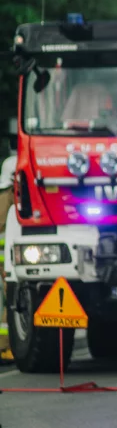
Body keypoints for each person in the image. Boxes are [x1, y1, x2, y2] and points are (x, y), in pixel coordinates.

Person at [0, 153, 16, 362]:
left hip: (5, 257)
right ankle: (5, 348)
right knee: (8, 301)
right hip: (4, 258)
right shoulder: (7, 197)